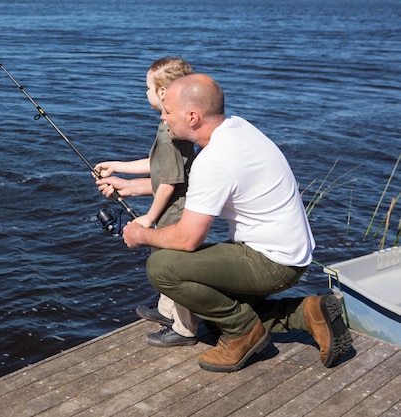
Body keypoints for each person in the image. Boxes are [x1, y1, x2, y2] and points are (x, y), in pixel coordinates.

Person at [109, 73, 353, 372]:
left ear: (193, 116)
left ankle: (242, 334)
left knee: (163, 267)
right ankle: (308, 313)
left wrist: (139, 234)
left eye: (168, 111)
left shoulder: (216, 160)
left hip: (273, 262)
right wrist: (132, 186)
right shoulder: (235, 129)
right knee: (208, 304)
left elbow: (188, 239)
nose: (163, 116)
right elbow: (196, 186)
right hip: (287, 252)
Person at [95, 57, 199, 347]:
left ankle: (185, 329)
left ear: (164, 92)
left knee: (173, 267)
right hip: (174, 210)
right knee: (161, 260)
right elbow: (158, 165)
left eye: (148, 88)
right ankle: (166, 311)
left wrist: (148, 218)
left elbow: (167, 182)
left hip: (175, 214)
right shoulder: (170, 126)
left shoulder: (169, 134)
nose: (145, 93)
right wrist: (118, 165)